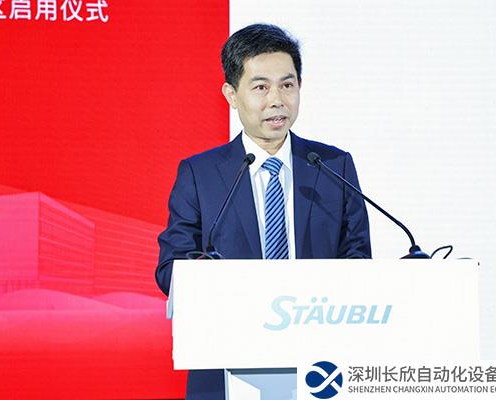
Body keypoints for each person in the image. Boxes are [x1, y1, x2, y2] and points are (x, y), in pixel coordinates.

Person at [156, 23, 371, 400]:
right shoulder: (200, 174)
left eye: (287, 85)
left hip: (320, 370)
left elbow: (356, 260)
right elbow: (170, 268)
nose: (277, 100)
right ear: (231, 94)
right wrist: (211, 279)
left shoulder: (332, 166)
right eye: (260, 87)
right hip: (226, 364)